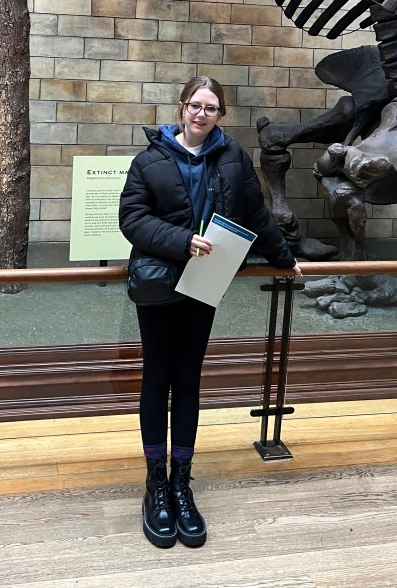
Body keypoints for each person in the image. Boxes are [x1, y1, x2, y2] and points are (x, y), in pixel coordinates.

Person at [118, 75, 302, 549]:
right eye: (195, 105)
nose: (202, 114)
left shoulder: (233, 157)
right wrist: (182, 240)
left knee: (189, 379)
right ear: (182, 108)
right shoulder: (148, 161)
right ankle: (156, 483)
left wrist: (283, 258)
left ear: (221, 114)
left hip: (205, 283)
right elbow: (132, 219)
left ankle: (181, 482)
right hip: (161, 284)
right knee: (157, 378)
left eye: (211, 107)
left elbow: (255, 213)